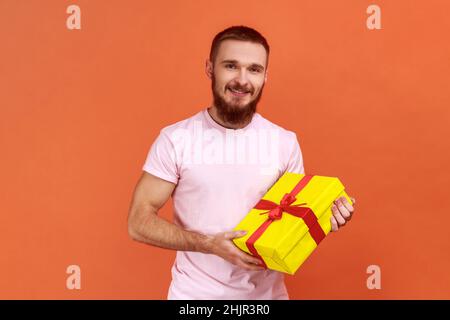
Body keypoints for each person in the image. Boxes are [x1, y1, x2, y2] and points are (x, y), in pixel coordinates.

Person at [127, 25, 356, 300]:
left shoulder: (284, 142)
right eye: (231, 66)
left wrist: (321, 221)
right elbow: (138, 222)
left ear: (266, 76)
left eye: (254, 69)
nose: (242, 80)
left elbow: (289, 226)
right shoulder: (176, 139)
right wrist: (209, 244)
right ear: (210, 69)